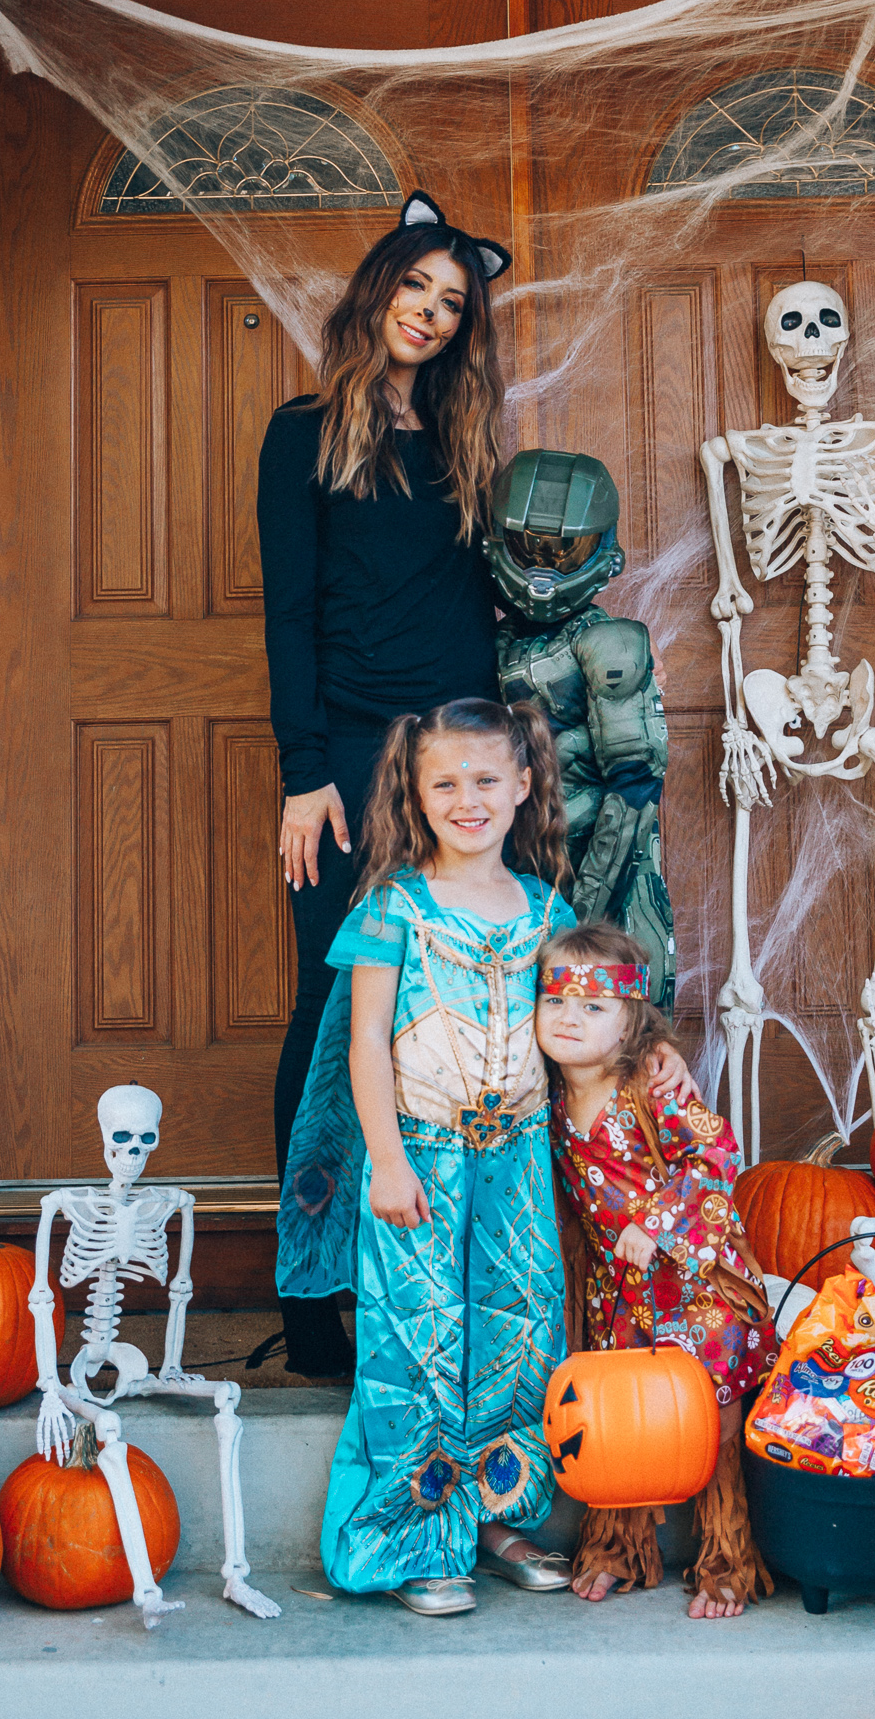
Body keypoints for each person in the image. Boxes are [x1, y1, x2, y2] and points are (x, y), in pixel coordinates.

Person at [275, 699, 696, 1616]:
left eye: (485, 781)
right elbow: (362, 1045)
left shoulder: (547, 911)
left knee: (514, 1332)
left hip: (517, 1163)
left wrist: (652, 1046)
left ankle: (495, 1519)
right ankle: (418, 1537)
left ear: (523, 787)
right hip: (419, 1156)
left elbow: (600, 1016)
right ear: (415, 795)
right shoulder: (394, 909)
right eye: (446, 783)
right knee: (419, 1339)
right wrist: (384, 1162)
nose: (468, 799)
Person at [257, 191, 513, 1378]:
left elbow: (486, 610)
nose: (429, 312)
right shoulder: (302, 432)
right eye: (415, 288)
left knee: (448, 1017)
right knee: (330, 1017)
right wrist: (305, 773)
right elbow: (290, 612)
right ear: (376, 292)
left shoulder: (465, 444)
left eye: (451, 302)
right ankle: (313, 1309)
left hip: (455, 761)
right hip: (351, 764)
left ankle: (427, 1282)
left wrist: (504, 763)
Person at [536, 920, 776, 1619]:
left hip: (697, 1284)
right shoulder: (544, 1096)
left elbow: (717, 1156)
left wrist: (657, 1220)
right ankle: (617, 1547)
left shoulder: (652, 1083)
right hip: (620, 1293)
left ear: (631, 1019)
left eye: (592, 1007)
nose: (569, 1019)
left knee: (709, 1419)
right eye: (554, 1002)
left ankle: (726, 1562)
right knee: (620, 1422)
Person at [486, 448, 675, 1008]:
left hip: (605, 891)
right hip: (517, 885)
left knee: (617, 1059)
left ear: (604, 551)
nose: (546, 566)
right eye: (530, 546)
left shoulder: (609, 643)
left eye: (568, 551)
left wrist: (581, 916)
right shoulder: (492, 639)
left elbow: (636, 790)